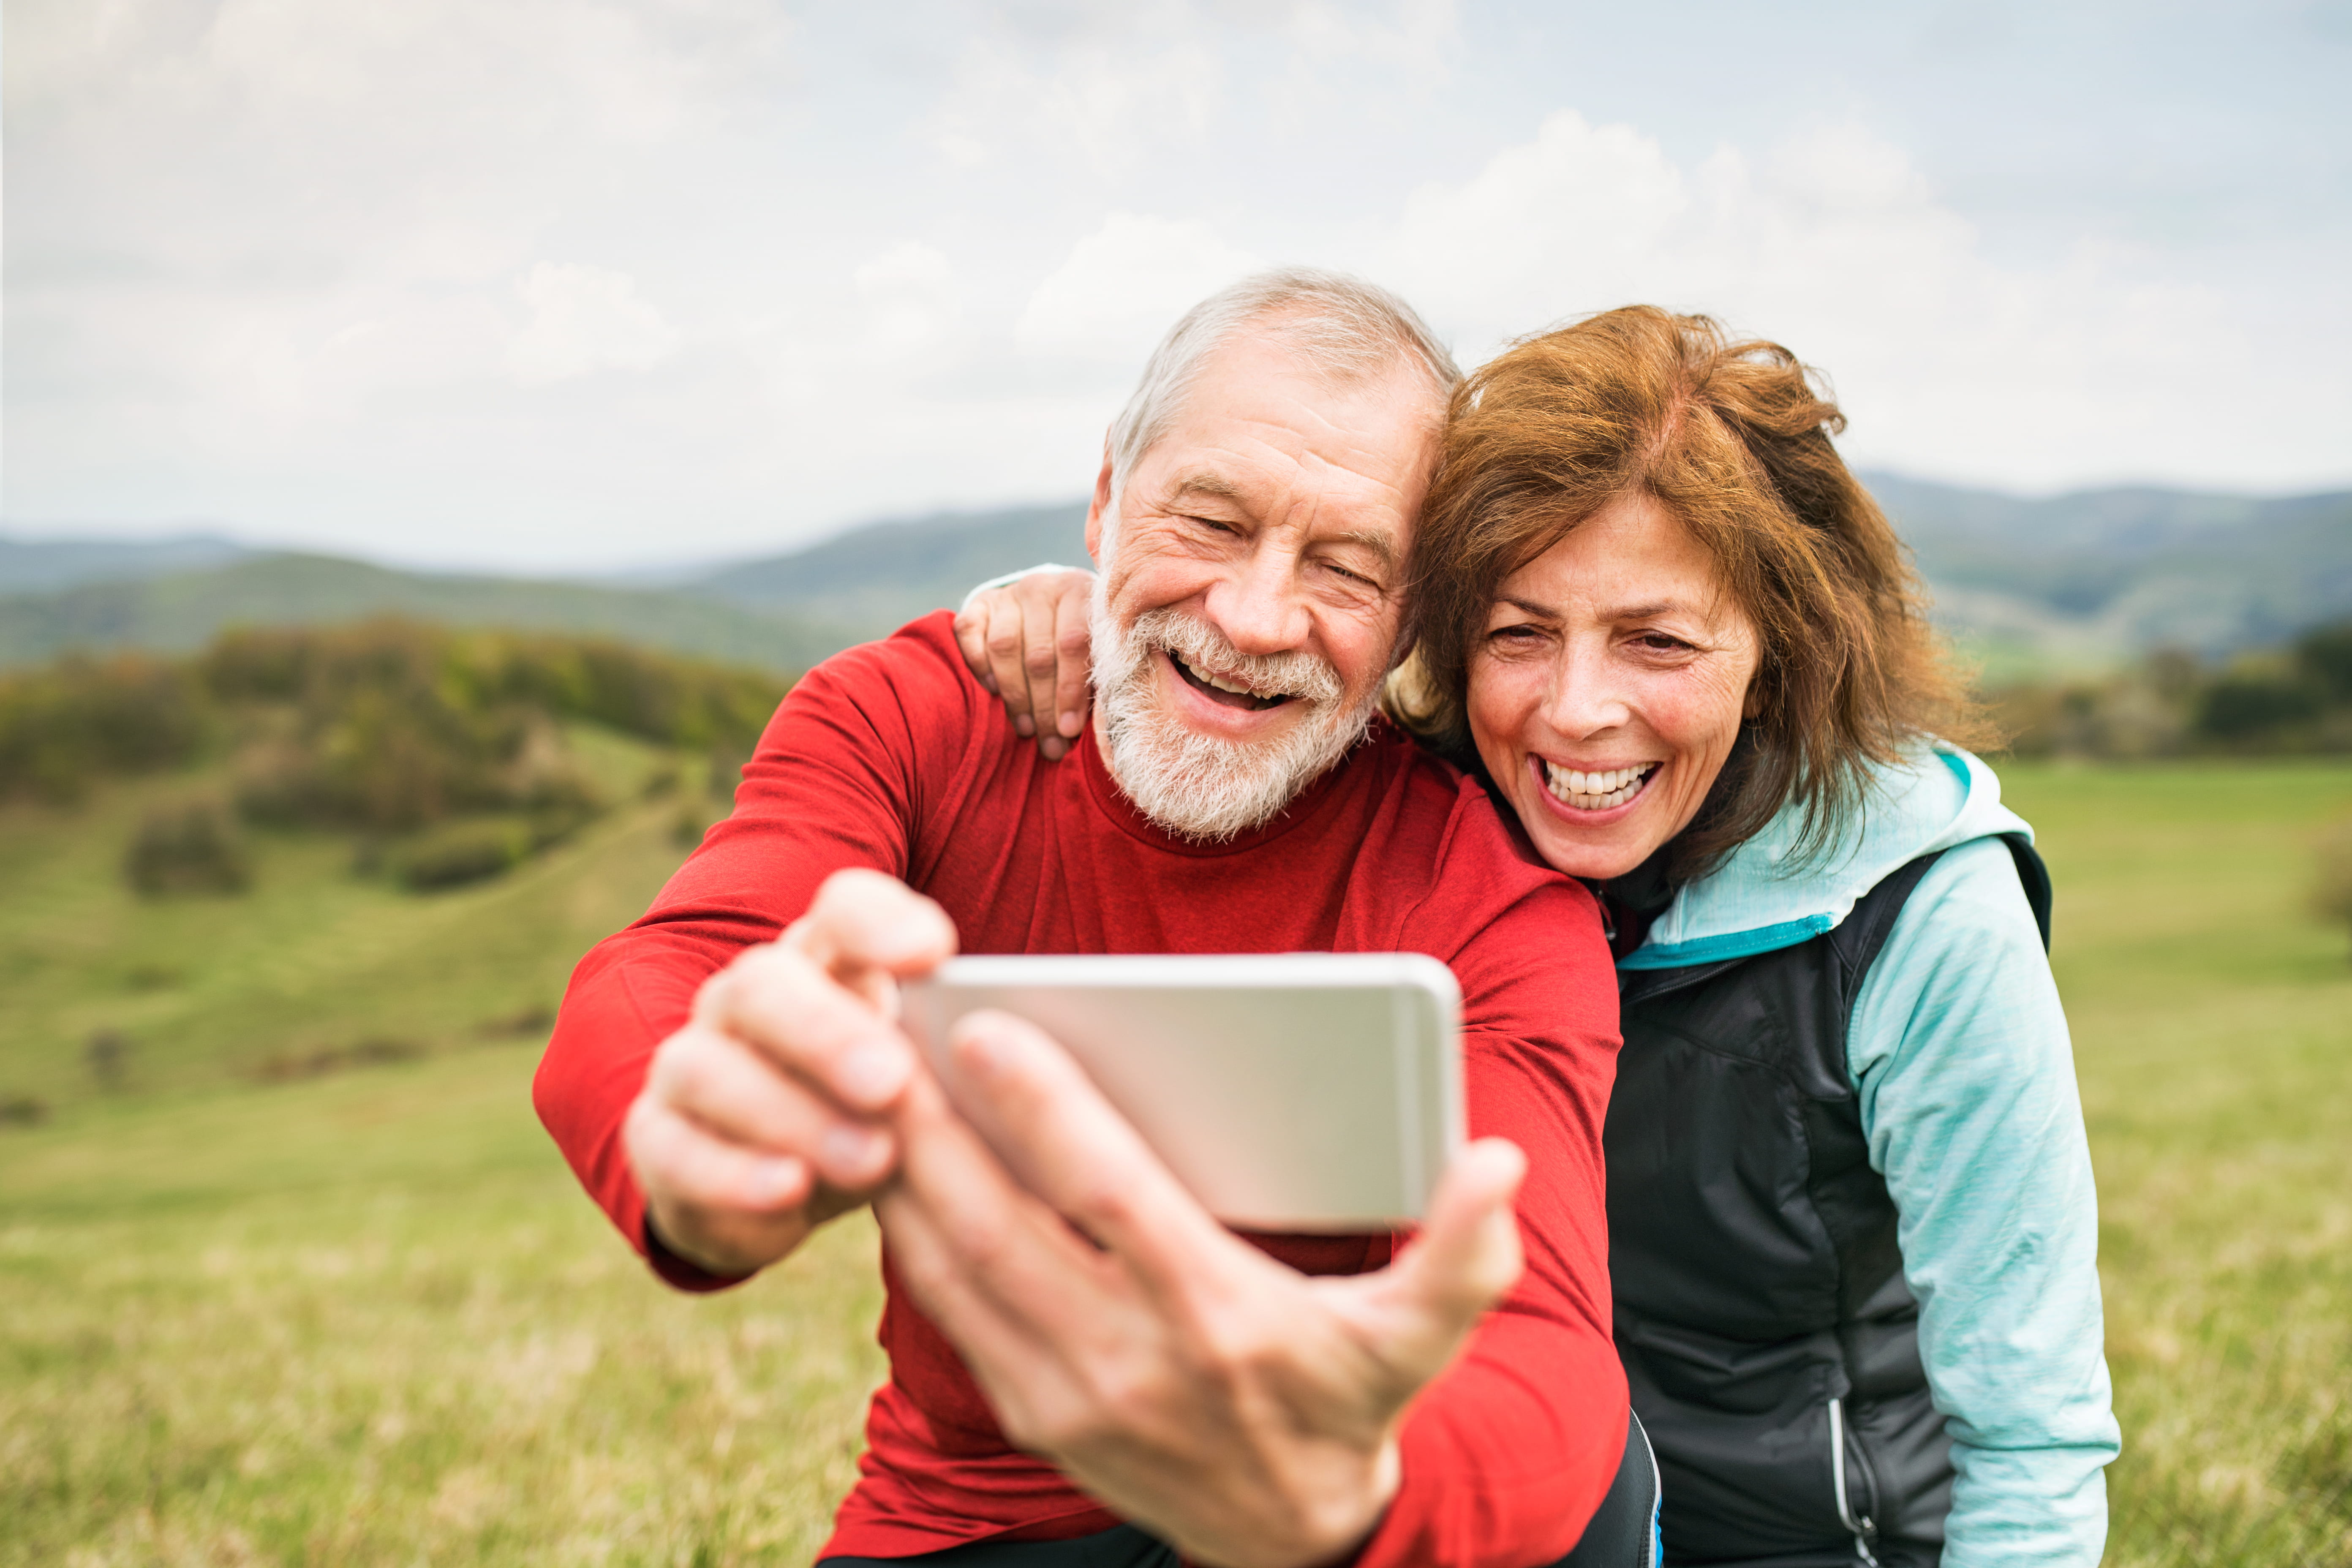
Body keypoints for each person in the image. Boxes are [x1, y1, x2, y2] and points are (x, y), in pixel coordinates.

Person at [960, 306, 2119, 1567]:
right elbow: (1248, 652)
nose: (1577, 714)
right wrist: (1074, 613)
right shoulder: (1430, 833)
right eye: (1519, 633)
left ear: (1777, 653)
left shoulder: (1926, 916)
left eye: (1657, 642)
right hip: (1476, 1523)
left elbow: (2032, 1443)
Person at [534, 271, 1645, 1568]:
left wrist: (1358, 1480)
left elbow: (1547, 1360)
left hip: (1314, 1501)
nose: (1254, 617)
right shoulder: (912, 718)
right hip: (971, 1519)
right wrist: (692, 1124)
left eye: (1347, 567)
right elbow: (676, 969)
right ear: (1110, 497)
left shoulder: (1485, 896)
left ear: (1410, 620)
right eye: (1212, 522)